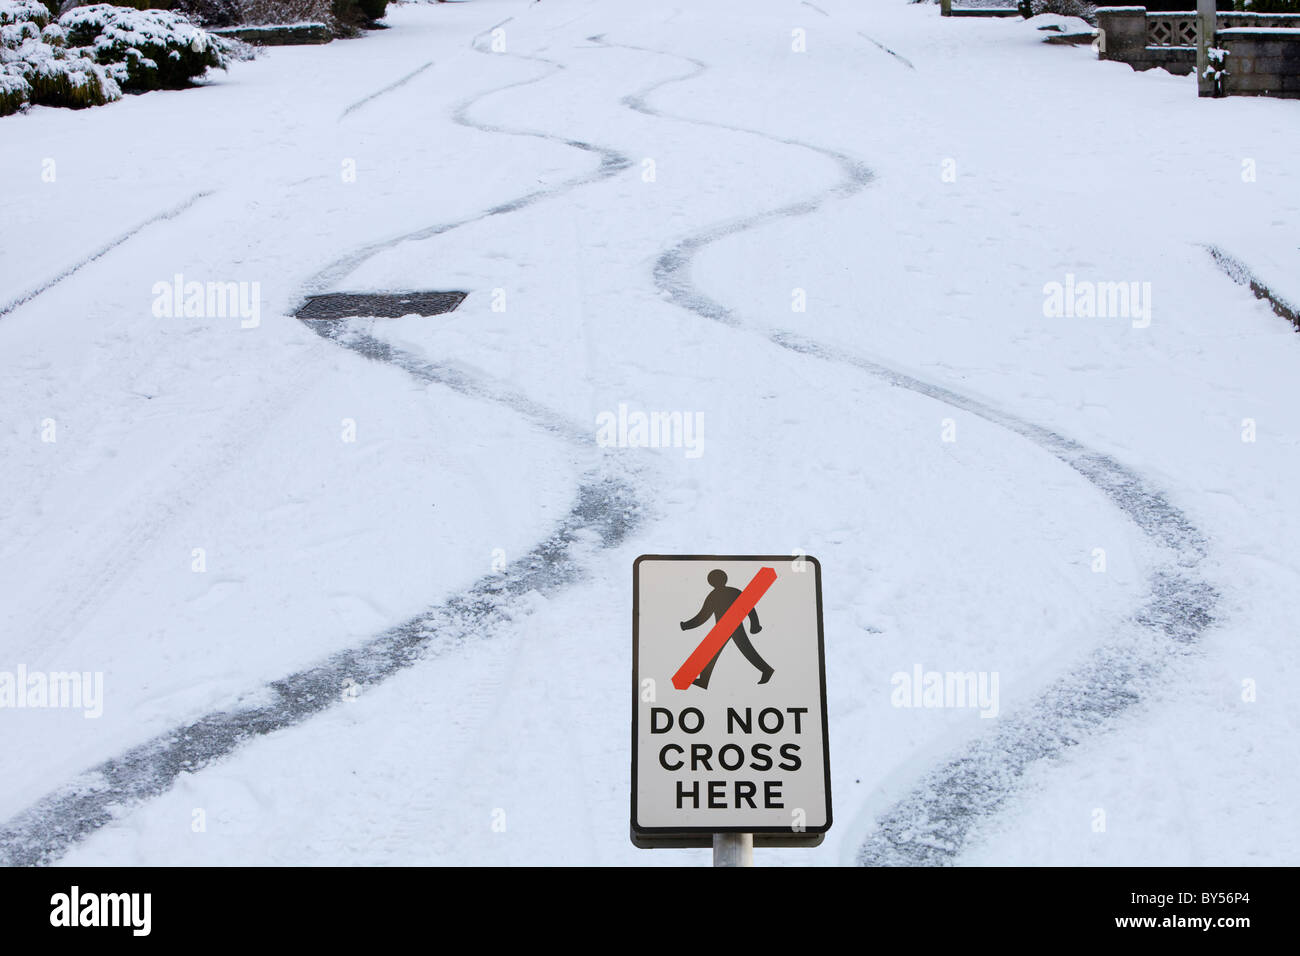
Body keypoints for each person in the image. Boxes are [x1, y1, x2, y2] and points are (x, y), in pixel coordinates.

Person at [680, 569, 774, 688]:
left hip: (728, 627)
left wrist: (686, 625)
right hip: (724, 628)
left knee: (745, 651)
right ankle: (703, 680)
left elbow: (703, 616)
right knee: (716, 652)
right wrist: (754, 624)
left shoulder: (716, 595)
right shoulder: (732, 592)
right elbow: (704, 615)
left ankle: (766, 670)